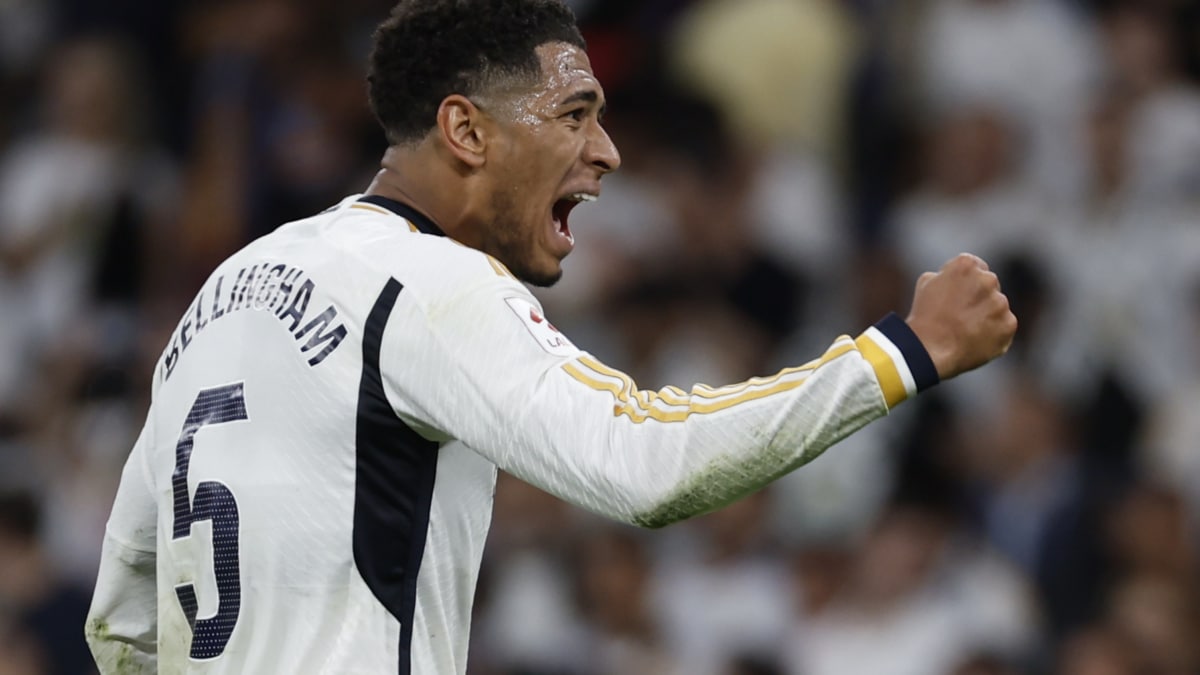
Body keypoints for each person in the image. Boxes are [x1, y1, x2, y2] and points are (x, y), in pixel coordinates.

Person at [84, 0, 1017, 673]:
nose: (607, 152)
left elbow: (122, 617)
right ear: (466, 130)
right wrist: (900, 352)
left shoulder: (226, 292)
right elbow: (644, 461)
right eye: (575, 115)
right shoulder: (427, 283)